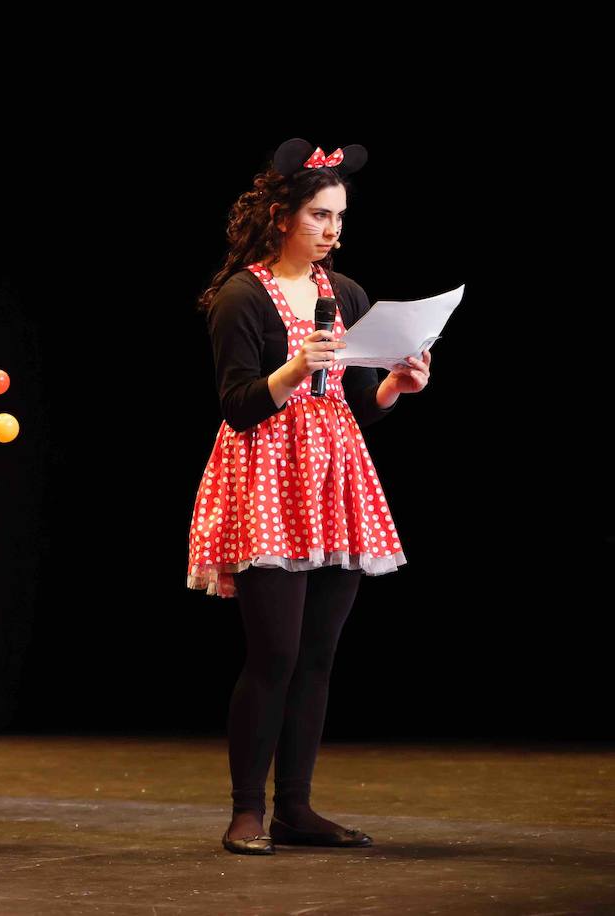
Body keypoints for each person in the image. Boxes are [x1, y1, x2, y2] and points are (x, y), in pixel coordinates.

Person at [186, 140, 433, 855]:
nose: (333, 229)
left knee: (319, 655)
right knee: (275, 654)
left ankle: (296, 807)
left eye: (339, 217)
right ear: (281, 216)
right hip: (266, 477)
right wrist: (295, 366)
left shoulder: (343, 293)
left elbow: (358, 398)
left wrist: (394, 386)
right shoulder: (241, 297)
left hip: (334, 479)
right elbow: (237, 406)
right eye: (320, 215)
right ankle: (246, 812)